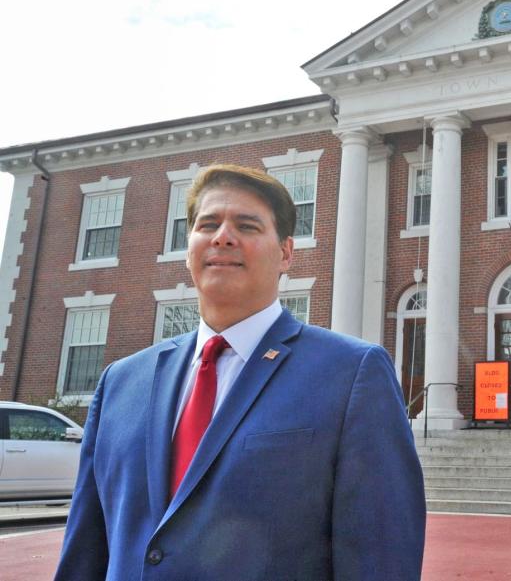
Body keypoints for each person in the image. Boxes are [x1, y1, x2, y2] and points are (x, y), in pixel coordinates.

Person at [55, 164, 426, 581]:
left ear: (286, 253)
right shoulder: (121, 382)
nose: (222, 236)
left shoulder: (352, 375)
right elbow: (86, 550)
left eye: (246, 226)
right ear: (189, 245)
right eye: (207, 224)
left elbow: (380, 559)